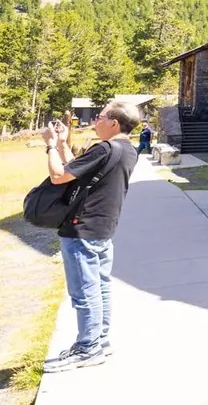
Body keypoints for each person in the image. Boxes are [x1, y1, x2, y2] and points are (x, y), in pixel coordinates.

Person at [41, 101, 140, 372]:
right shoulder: (127, 149)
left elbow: (59, 175)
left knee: (84, 291)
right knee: (100, 286)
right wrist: (63, 143)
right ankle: (99, 340)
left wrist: (50, 145)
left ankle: (88, 348)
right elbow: (77, 168)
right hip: (103, 227)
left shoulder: (105, 148)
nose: (96, 120)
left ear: (114, 123)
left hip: (82, 227)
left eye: (101, 116)